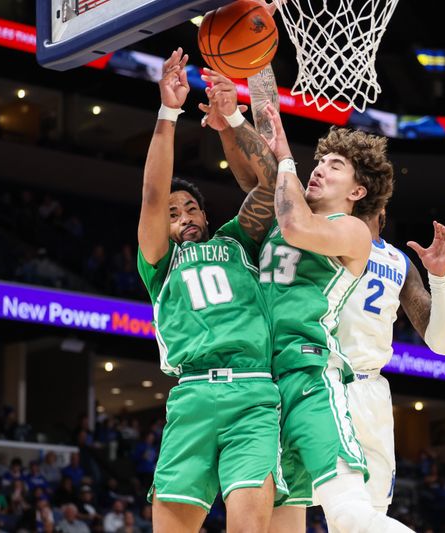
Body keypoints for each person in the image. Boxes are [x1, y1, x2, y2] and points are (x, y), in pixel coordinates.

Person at [221, 94, 413, 532]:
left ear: (358, 191)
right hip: (262, 387)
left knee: (347, 514)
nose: (321, 167)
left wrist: (287, 154)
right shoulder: (288, 208)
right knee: (278, 521)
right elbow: (254, 177)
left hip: (311, 378)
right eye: (320, 159)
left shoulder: (351, 231)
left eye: (335, 166)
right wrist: (228, 118)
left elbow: (295, 227)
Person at [136, 47, 285, 532]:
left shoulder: (238, 240)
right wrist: (168, 112)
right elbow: (154, 195)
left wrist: (232, 118)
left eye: (191, 209)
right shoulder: (160, 262)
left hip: (253, 394)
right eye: (174, 214)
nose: (182, 217)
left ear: (205, 214)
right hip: (193, 395)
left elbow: (273, 185)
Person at [332, 210, 445, 518]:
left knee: (370, 513)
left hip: (371, 392)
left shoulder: (398, 261)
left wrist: (439, 279)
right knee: (304, 507)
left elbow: (441, 343)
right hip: (325, 380)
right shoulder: (326, 237)